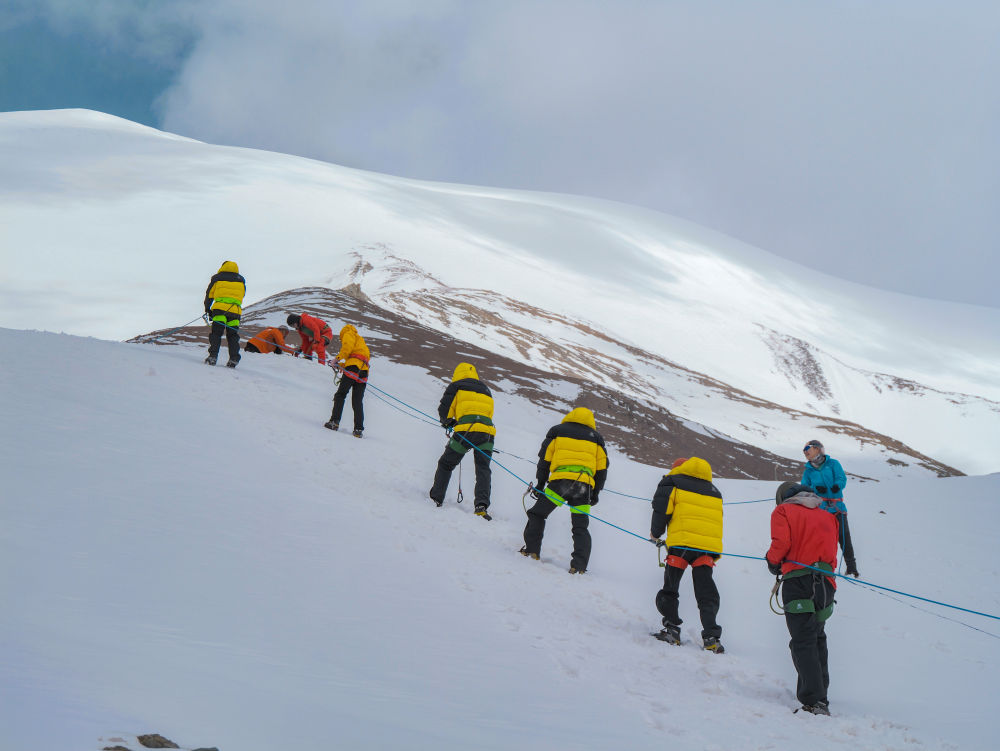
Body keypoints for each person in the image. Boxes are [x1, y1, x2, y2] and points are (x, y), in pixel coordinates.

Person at [766, 481, 839, 716]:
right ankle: (821, 696)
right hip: (826, 584)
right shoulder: (828, 515)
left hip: (799, 581)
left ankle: (813, 700)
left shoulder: (783, 511)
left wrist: (772, 561)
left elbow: (781, 544)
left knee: (803, 640)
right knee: (817, 638)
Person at [649, 457, 725, 653]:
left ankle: (672, 629)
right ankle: (711, 637)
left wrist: (655, 534)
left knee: (670, 587)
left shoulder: (672, 481)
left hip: (682, 545)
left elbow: (661, 509)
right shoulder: (714, 490)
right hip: (707, 547)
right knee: (706, 592)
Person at [520, 407, 608, 574]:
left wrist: (540, 484)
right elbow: (602, 469)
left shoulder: (558, 431)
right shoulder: (596, 439)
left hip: (560, 483)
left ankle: (532, 550)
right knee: (580, 527)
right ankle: (579, 566)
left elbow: (544, 460)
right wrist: (595, 493)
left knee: (537, 514)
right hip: (584, 486)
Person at [428, 362, 495, 519]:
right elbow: (489, 413)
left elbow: (444, 409)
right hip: (487, 432)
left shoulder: (456, 386)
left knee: (446, 463)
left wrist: (447, 422)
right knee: (483, 468)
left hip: (466, 431)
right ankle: (481, 506)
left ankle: (436, 497)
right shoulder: (486, 390)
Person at [801, 440, 858, 577]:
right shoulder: (808, 470)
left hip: (837, 507)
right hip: (820, 510)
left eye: (807, 448)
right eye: (804, 450)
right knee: (822, 539)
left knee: (844, 537)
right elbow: (804, 487)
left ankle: (851, 568)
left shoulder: (833, 464)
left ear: (818, 448)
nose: (805, 451)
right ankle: (822, 567)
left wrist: (837, 485)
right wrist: (815, 489)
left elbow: (841, 478)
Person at [324, 324, 370, 438]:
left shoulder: (348, 333)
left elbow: (347, 348)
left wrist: (336, 360)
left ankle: (334, 422)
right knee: (357, 401)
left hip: (353, 368)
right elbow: (356, 358)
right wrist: (342, 365)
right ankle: (358, 430)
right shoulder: (360, 339)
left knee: (340, 395)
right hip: (364, 371)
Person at [203, 261, 246, 367]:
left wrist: (207, 309)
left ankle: (213, 356)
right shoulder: (241, 280)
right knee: (233, 335)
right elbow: (242, 295)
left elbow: (209, 294)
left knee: (216, 334)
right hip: (235, 312)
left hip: (220, 310)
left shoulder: (217, 278)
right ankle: (234, 358)